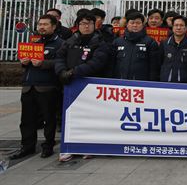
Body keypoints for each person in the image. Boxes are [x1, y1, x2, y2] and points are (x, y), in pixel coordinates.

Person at [54, 12, 111, 162]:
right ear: (78, 26)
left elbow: (97, 62)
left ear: (94, 25)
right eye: (83, 24)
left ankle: (89, 146)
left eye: (89, 23)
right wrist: (61, 72)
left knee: (91, 117)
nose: (86, 26)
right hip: (70, 85)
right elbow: (59, 57)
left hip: (90, 86)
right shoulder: (70, 41)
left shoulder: (100, 42)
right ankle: (68, 148)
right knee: (71, 117)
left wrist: (74, 72)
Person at [11, 14, 63, 160]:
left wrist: (43, 63)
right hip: (29, 87)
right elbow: (25, 63)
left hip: (47, 87)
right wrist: (24, 61)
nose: (42, 27)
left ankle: (48, 146)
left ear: (54, 26)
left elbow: (60, 63)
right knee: (27, 120)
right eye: (40, 24)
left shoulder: (61, 44)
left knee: (49, 119)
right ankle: (27, 146)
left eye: (46, 24)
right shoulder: (34, 42)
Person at [111, 11, 161, 81]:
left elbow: (154, 68)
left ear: (143, 25)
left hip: (141, 86)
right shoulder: (117, 42)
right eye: (132, 23)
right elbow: (111, 65)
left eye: (138, 23)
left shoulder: (150, 42)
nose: (135, 25)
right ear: (127, 25)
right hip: (120, 84)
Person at [159, 16, 187, 83]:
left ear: (186, 27)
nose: (178, 28)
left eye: (181, 25)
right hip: (165, 83)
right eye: (176, 25)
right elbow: (159, 63)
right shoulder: (164, 43)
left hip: (186, 84)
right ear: (172, 27)